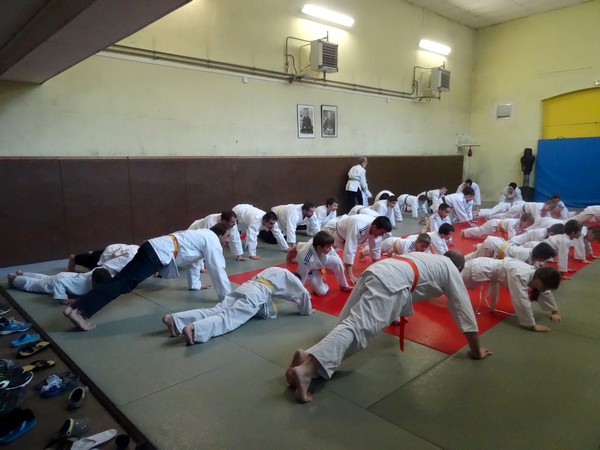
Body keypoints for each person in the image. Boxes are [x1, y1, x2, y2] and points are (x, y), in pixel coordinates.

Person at [285, 251, 492, 403]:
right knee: (357, 328)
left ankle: (307, 356)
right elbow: (464, 311)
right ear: (458, 269)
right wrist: (476, 351)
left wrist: (392, 313)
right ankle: (307, 370)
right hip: (393, 283)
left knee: (349, 322)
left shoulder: (429, 257)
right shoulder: (451, 270)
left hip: (377, 271)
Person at [63, 224, 232, 331]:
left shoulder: (201, 236)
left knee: (119, 280)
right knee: (122, 283)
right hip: (156, 253)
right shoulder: (212, 240)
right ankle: (80, 312)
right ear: (220, 235)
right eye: (227, 237)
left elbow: (194, 263)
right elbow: (217, 269)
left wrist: (195, 285)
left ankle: (77, 308)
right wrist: (227, 298)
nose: (227, 240)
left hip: (151, 247)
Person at [162, 267, 312, 345]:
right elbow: (304, 294)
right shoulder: (293, 278)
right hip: (257, 293)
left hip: (246, 286)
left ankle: (174, 319)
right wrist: (307, 311)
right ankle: (194, 328)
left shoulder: (275, 270)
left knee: (215, 310)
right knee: (228, 318)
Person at [461, 257, 561, 332]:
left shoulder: (536, 275)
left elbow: (545, 292)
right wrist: (532, 325)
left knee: (453, 283)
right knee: (452, 283)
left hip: (485, 267)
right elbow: (521, 301)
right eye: (545, 286)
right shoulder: (520, 275)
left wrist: (554, 311)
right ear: (540, 280)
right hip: (478, 268)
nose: (545, 290)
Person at [322, 214, 392, 284]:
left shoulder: (376, 229)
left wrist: (378, 268)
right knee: (325, 256)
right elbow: (350, 249)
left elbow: (376, 249)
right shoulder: (358, 226)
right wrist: (350, 275)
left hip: (344, 234)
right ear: (374, 227)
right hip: (333, 231)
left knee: (336, 262)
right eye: (382, 232)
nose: (382, 235)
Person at [286, 231, 352, 295]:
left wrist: (342, 268)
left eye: (330, 246)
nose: (330, 248)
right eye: (328, 247)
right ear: (319, 247)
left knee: (337, 261)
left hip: (322, 258)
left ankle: (343, 285)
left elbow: (334, 254)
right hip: (311, 270)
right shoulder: (306, 260)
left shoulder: (321, 243)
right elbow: (301, 277)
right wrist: (300, 293)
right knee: (321, 292)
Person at [8, 268, 111, 305]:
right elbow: (60, 282)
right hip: (60, 280)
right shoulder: (82, 283)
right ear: (94, 282)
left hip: (66, 276)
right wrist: (62, 298)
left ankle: (23, 274)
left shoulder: (96, 274)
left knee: (44, 278)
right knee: (37, 285)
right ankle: (14, 280)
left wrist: (76, 299)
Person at [464, 236, 556, 267]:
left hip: (499, 245)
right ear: (541, 255)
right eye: (545, 258)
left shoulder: (531, 253)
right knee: (473, 259)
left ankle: (478, 247)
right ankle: (456, 262)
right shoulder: (526, 257)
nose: (544, 261)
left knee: (475, 256)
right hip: (493, 245)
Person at [68, 243, 140, 274]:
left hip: (114, 249)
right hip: (111, 253)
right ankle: (74, 258)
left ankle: (92, 253)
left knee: (96, 256)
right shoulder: (132, 254)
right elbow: (115, 254)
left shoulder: (140, 251)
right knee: (93, 263)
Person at [461, 213, 535, 240]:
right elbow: (512, 238)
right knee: (479, 231)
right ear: (522, 220)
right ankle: (464, 232)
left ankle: (466, 232)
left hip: (496, 227)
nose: (527, 226)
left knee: (480, 231)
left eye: (529, 225)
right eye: (527, 224)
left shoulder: (520, 225)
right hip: (493, 225)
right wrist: (520, 233)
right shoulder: (514, 224)